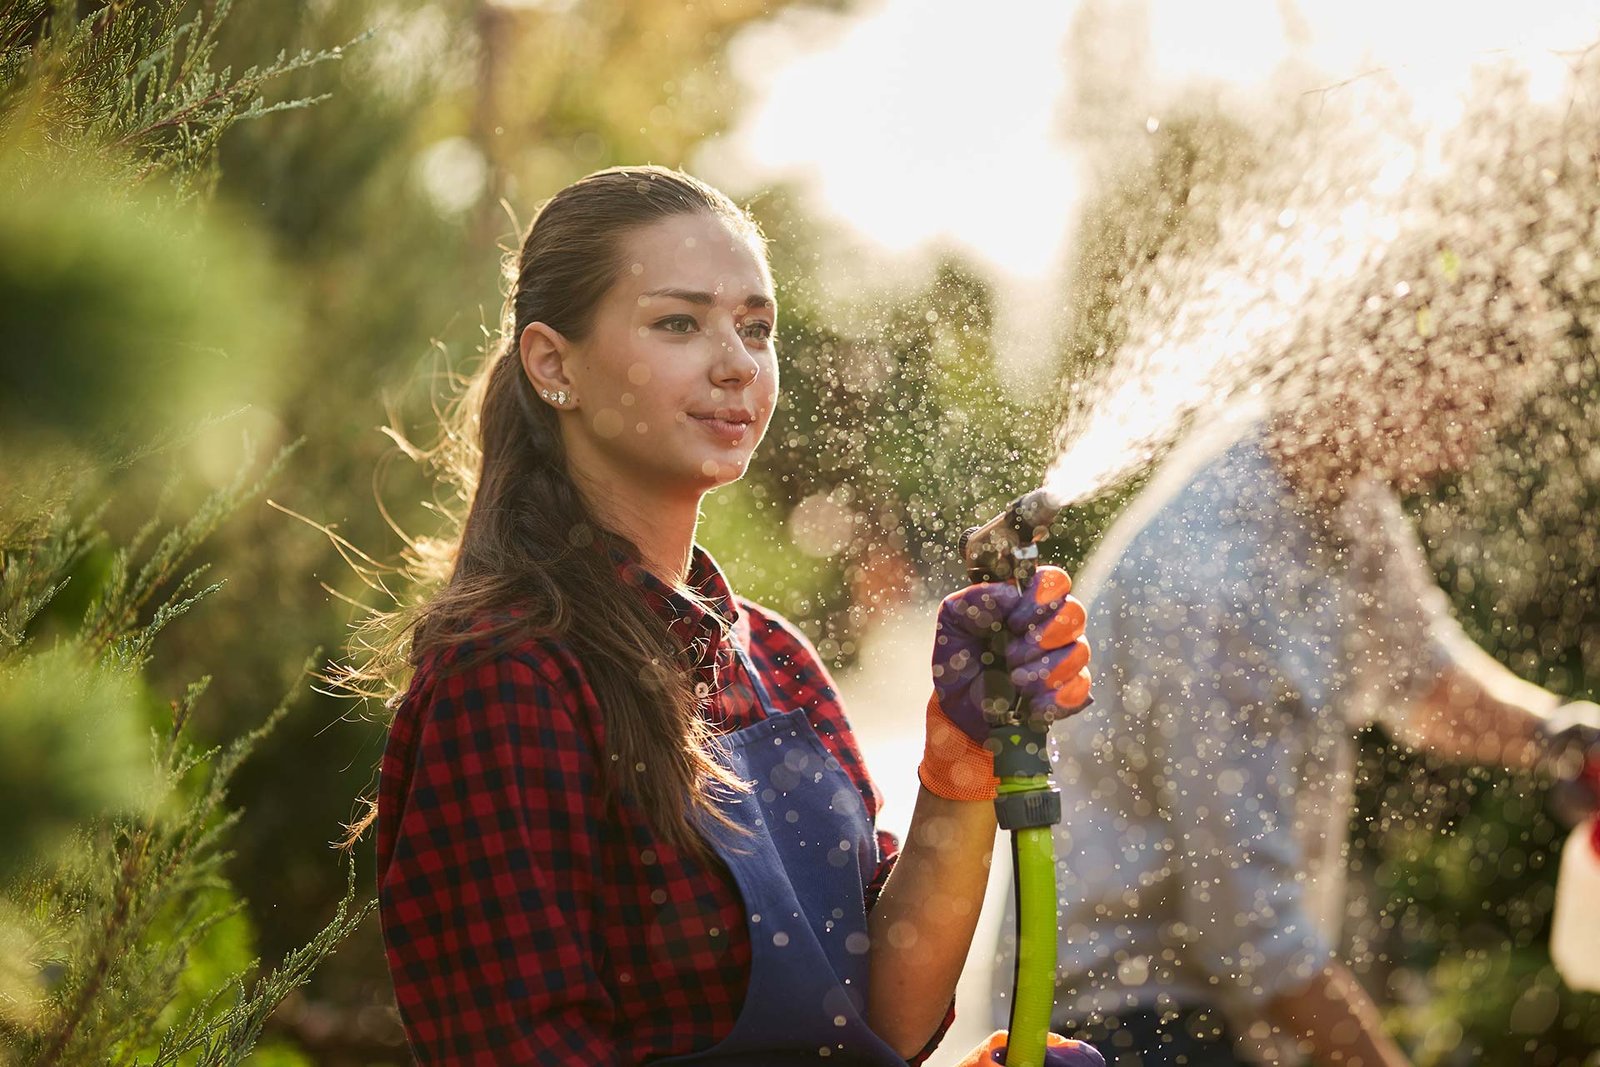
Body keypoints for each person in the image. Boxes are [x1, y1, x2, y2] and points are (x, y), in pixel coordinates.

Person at [367, 166, 1105, 1065]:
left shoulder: (776, 661)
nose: (736, 363)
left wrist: (962, 753)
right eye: (679, 322)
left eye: (757, 328)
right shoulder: (510, 680)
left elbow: (886, 1016)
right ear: (554, 364)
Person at [990, 250, 1600, 1065]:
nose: (1471, 445)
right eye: (1470, 408)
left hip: (1214, 1001)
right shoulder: (1216, 584)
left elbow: (1425, 677)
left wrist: (1560, 735)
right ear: (1399, 373)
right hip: (1118, 1019)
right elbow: (1253, 940)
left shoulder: (1336, 490)